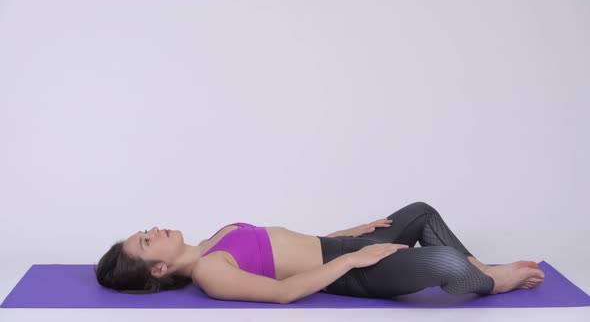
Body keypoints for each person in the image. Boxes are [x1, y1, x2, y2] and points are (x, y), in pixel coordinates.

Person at [94, 201, 544, 303]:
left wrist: (352, 235)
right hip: (352, 272)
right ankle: (489, 282)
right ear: (158, 267)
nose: (153, 229)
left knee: (421, 212)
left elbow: (290, 246)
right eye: (147, 240)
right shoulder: (211, 271)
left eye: (144, 230)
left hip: (344, 246)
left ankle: (481, 269)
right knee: (443, 264)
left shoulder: (219, 235)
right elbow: (283, 291)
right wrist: (351, 261)